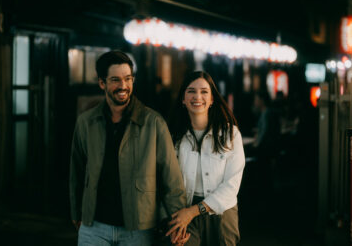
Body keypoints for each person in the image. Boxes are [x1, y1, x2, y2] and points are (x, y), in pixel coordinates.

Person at [69, 50, 187, 245]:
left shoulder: (154, 123)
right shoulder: (86, 122)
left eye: (128, 79)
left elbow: (171, 179)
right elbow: (77, 172)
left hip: (139, 228)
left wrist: (178, 224)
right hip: (94, 227)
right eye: (115, 79)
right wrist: (76, 213)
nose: (123, 86)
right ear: (102, 83)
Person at [166, 71, 245, 246]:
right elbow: (167, 181)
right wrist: (177, 217)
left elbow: (232, 185)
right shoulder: (173, 137)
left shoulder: (230, 134)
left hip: (222, 211)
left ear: (212, 100)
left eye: (204, 91)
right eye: (191, 91)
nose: (197, 97)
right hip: (184, 211)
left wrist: (195, 211)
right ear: (183, 99)